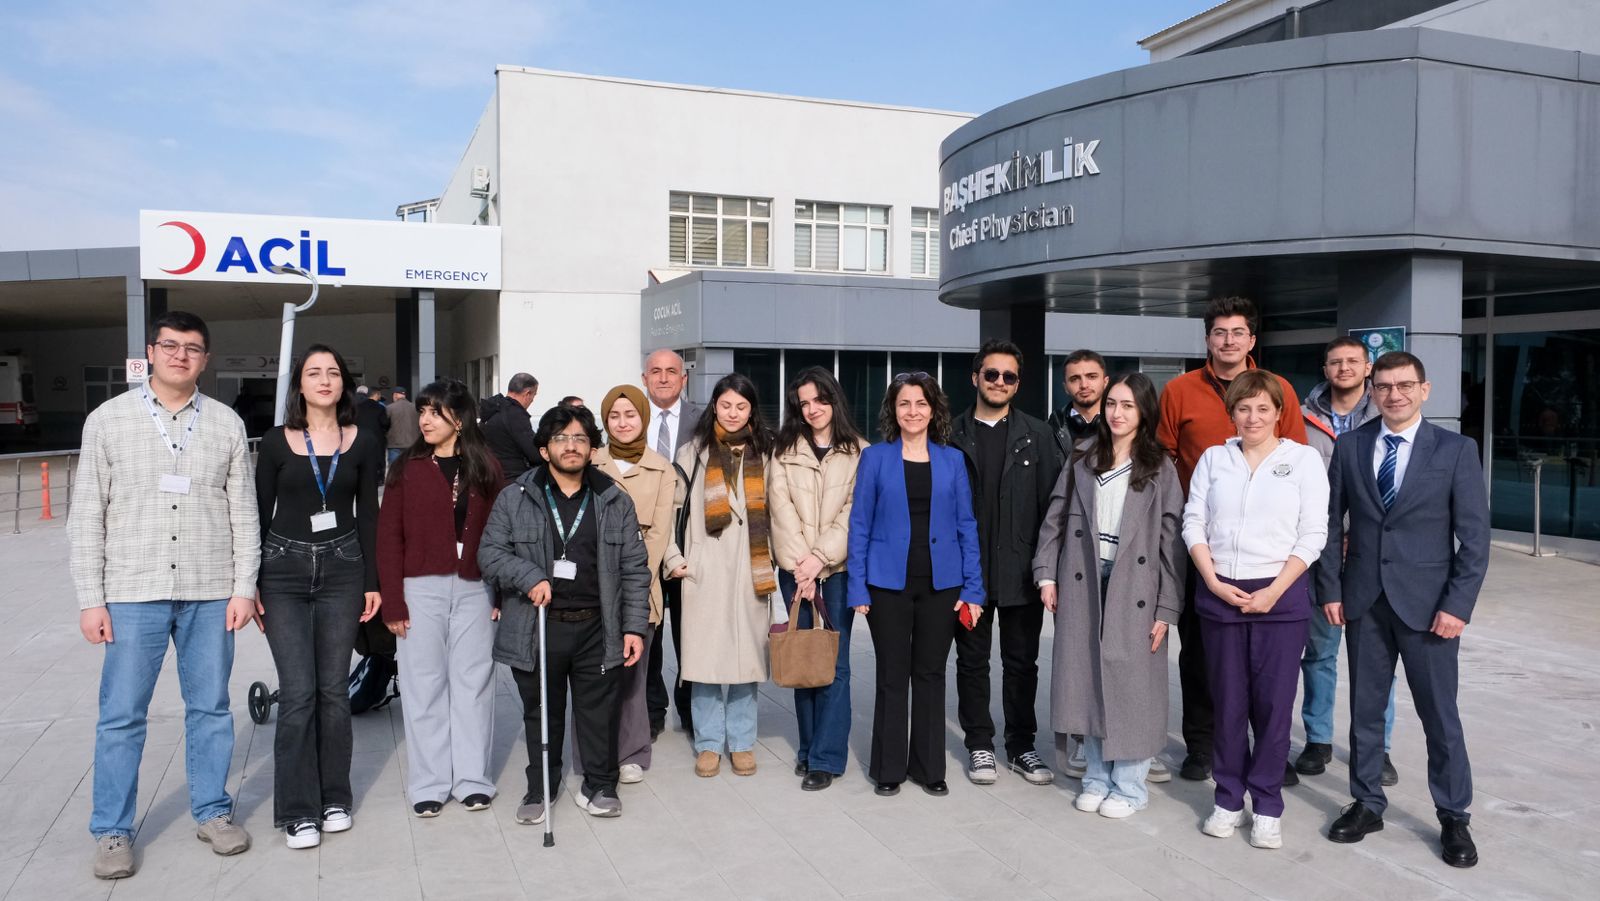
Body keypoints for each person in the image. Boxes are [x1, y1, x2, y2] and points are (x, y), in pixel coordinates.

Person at [69, 311, 258, 879]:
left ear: (206, 359)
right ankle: (112, 830)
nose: (180, 356)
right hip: (133, 591)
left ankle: (212, 811)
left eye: (192, 348)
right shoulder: (108, 421)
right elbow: (87, 515)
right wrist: (90, 598)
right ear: (150, 352)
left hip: (209, 590)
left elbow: (244, 514)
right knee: (122, 716)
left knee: (211, 709)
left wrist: (243, 587)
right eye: (170, 346)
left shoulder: (225, 423)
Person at [1319, 351, 1489, 869]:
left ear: (1424, 389)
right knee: (1365, 711)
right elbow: (1330, 523)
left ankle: (1453, 814)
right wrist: (1331, 589)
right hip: (1364, 601)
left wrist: (1457, 605)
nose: (1394, 395)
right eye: (1385, 386)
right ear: (1372, 391)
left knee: (1440, 715)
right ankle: (1367, 803)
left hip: (1431, 608)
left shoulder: (1456, 450)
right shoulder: (1350, 446)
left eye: (1405, 385)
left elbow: (1475, 539)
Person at [1157, 295, 1307, 783]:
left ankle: (1268, 752)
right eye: (1219, 332)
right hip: (1200, 544)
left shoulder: (1278, 389)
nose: (1228, 340)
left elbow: (1297, 460)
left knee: (1266, 663)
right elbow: (1162, 459)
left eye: (1237, 332)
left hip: (1268, 550)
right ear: (1208, 339)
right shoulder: (1179, 390)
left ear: (1252, 339)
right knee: (1202, 653)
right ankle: (1203, 746)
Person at [478, 404, 651, 822]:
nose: (570, 446)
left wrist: (633, 627)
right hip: (538, 625)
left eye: (579, 439)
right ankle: (542, 786)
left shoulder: (613, 498)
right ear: (544, 449)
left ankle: (600, 785)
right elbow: (490, 554)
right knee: (542, 712)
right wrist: (529, 576)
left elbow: (635, 568)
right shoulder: (516, 497)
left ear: (592, 448)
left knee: (599, 713)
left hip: (597, 626)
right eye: (560, 438)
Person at [1183, 369, 1328, 850]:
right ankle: (1228, 799)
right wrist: (1212, 580)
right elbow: (1193, 521)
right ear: (1232, 413)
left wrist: (1274, 590)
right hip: (1220, 594)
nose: (1253, 417)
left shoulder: (1303, 460)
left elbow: (1314, 533)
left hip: (1280, 599)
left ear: (1279, 413)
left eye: (1263, 408)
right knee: (1227, 705)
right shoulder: (1214, 459)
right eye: (1244, 408)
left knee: (1272, 707)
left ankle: (1267, 806)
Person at [1034, 373, 1183, 818]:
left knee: (1132, 686)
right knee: (1087, 682)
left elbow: (1171, 543)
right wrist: (1046, 574)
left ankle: (1131, 787)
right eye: (1112, 403)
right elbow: (1055, 518)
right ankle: (1097, 778)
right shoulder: (1083, 456)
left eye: (1128, 406)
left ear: (1144, 413)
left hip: (1134, 585)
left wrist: (1167, 606)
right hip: (1082, 578)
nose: (1117, 413)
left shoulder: (1160, 466)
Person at [252, 344, 383, 848]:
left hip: (344, 569)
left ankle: (334, 799)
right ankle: (297, 810)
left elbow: (369, 513)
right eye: (314, 373)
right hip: (282, 571)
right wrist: (251, 583)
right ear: (300, 385)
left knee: (333, 692)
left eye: (333, 372)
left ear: (343, 383)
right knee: (298, 693)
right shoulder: (276, 442)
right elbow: (258, 513)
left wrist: (372, 581)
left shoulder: (363, 440)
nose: (324, 380)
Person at [847, 371, 984, 797]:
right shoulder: (875, 458)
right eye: (904, 403)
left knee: (930, 673)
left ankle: (928, 768)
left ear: (933, 410)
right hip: (886, 584)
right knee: (892, 674)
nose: (913, 411)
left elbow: (966, 526)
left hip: (942, 585)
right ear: (893, 409)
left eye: (921, 403)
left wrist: (973, 589)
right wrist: (857, 587)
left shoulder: (952, 460)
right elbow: (859, 524)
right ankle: (888, 768)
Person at [377, 379, 504, 817]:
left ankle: (472, 779)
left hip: (475, 588)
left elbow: (502, 534)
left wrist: (500, 590)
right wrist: (393, 601)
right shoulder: (406, 468)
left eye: (435, 412)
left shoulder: (486, 467)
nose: (425, 420)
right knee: (423, 685)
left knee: (473, 685)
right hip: (420, 589)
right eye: (423, 411)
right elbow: (388, 537)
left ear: (460, 418)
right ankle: (429, 783)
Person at [949, 340, 1061, 785]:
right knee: (972, 662)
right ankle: (979, 743)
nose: (999, 382)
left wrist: (1046, 570)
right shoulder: (950, 435)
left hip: (1021, 572)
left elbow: (1052, 510)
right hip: (968, 574)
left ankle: (1021, 746)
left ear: (1017, 384)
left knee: (1021, 664)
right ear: (975, 377)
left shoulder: (1039, 435)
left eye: (1008, 376)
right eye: (991, 374)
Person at [1296, 337, 1400, 786]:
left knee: (1375, 658)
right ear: (1325, 367)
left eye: (1352, 361)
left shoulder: (1387, 414)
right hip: (1318, 551)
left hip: (1371, 554)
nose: (1344, 368)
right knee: (1320, 652)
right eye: (1335, 362)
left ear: (1367, 366)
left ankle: (1377, 747)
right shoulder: (1301, 417)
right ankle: (1318, 739)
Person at [664, 373, 776, 777]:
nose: (732, 413)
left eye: (741, 406)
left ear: (751, 410)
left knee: (747, 659)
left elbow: (778, 507)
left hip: (751, 564)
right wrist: (675, 557)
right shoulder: (692, 451)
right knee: (705, 660)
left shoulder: (767, 451)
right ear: (714, 406)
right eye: (726, 405)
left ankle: (742, 741)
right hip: (706, 565)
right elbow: (671, 510)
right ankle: (709, 742)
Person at [768, 367, 867, 791]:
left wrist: (820, 559)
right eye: (804, 403)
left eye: (819, 400)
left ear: (834, 399)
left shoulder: (859, 451)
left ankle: (827, 758)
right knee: (802, 656)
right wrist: (802, 567)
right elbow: (780, 509)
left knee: (834, 663)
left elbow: (855, 512)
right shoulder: (783, 450)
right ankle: (808, 748)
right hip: (796, 571)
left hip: (838, 571)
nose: (812, 409)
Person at [580, 385, 678, 785]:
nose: (623, 423)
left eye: (630, 415)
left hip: (640, 587)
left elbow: (658, 537)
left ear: (644, 418)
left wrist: (630, 582)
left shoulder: (662, 470)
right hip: (591, 585)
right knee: (593, 676)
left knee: (634, 675)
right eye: (615, 416)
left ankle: (632, 752)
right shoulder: (590, 462)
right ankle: (595, 750)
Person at [641, 349, 704, 737]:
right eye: (656, 371)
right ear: (644, 378)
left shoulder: (702, 421)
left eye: (671, 372)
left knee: (689, 630)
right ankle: (652, 709)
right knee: (649, 630)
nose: (663, 378)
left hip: (689, 542)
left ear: (684, 379)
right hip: (645, 543)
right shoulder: (630, 418)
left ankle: (690, 706)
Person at [1048, 349, 1108, 460]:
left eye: (1092, 376)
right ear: (1065, 387)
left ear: (1105, 382)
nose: (1084, 385)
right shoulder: (1048, 432)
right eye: (1075, 379)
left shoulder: (1127, 428)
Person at [481, 372, 541, 479]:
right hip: (513, 477)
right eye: (534, 395)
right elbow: (534, 453)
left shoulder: (492, 410)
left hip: (491, 475)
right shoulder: (516, 414)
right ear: (527, 393)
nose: (533, 400)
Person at [385, 387, 420, 466]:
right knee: (411, 469)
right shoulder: (415, 408)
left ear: (395, 395)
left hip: (394, 444)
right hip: (412, 444)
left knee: (394, 469)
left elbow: (384, 425)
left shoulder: (389, 408)